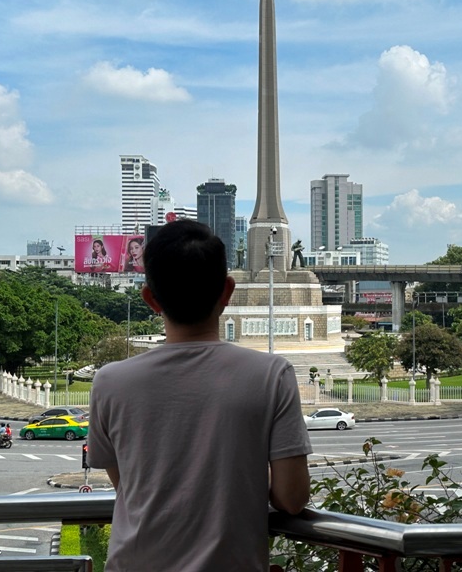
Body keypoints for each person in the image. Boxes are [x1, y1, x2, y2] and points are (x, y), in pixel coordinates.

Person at [87, 219, 311, 572]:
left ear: (150, 299)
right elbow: (291, 499)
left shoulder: (110, 382)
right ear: (227, 291)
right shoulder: (271, 376)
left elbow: (127, 483)